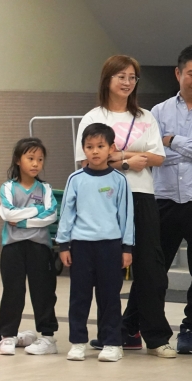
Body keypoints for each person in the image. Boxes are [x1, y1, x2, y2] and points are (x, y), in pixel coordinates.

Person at [76, 55, 172, 357]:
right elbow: (85, 162)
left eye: (132, 77)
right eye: (121, 76)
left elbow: (157, 157)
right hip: (104, 198)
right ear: (107, 80)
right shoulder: (93, 118)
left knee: (151, 268)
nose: (128, 82)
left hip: (141, 196)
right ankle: (111, 335)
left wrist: (120, 156)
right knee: (107, 271)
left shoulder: (145, 117)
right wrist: (130, 161)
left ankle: (156, 338)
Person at [58, 123, 134, 362]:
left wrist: (127, 248)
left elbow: (126, 215)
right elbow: (67, 213)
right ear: (83, 149)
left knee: (110, 297)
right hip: (81, 246)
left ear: (111, 148)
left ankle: (112, 343)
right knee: (79, 297)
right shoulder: (75, 179)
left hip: (110, 247)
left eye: (100, 146)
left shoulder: (119, 180)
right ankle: (78, 342)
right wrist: (63, 244)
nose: (95, 151)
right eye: (89, 146)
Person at [0, 137, 60, 356]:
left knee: (43, 291)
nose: (35, 164)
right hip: (12, 247)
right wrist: (36, 210)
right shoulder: (8, 187)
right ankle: (7, 335)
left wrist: (23, 221)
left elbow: (51, 215)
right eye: (30, 158)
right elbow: (7, 213)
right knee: (12, 290)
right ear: (18, 160)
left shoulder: (45, 189)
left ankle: (48, 336)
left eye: (40, 159)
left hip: (39, 247)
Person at [152, 45, 192, 354]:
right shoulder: (158, 111)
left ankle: (189, 330)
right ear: (178, 73)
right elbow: (153, 154)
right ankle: (140, 326)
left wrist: (173, 141)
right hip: (163, 199)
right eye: (191, 73)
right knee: (154, 269)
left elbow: (166, 149)